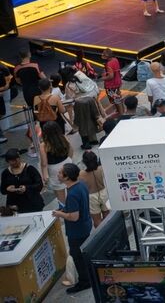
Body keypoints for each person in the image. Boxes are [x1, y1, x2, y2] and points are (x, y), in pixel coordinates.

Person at [52, 163, 93, 293]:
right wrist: (65, 209)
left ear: (67, 177)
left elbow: (74, 217)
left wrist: (60, 214)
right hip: (85, 225)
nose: (58, 174)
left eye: (60, 173)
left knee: (77, 256)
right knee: (82, 254)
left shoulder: (72, 194)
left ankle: (85, 281)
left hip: (77, 231)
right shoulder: (80, 185)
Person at [39, 121, 72, 204]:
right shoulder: (64, 138)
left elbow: (44, 163)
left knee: (60, 195)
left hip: (54, 169)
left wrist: (45, 176)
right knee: (71, 187)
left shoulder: (44, 145)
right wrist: (69, 160)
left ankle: (64, 210)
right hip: (67, 163)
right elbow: (71, 150)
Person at [2, 148, 43, 213]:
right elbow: (3, 190)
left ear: (19, 158)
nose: (14, 164)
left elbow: (39, 185)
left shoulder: (30, 169)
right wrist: (8, 189)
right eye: (11, 163)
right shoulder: (5, 173)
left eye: (16, 161)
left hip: (32, 203)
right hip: (15, 205)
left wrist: (26, 188)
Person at [79, 150, 109, 227]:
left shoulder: (81, 174)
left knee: (97, 220)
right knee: (107, 216)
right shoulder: (101, 169)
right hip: (103, 193)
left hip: (91, 197)